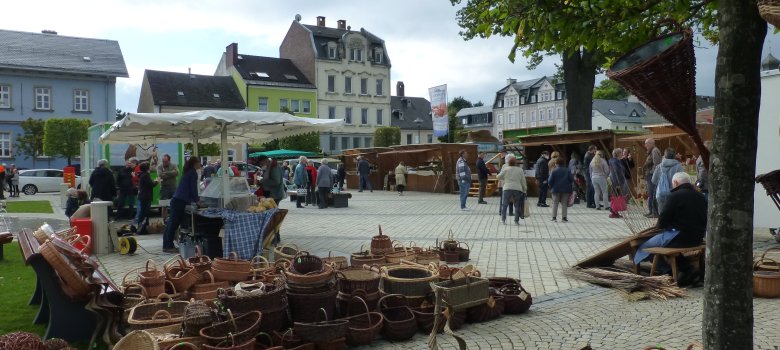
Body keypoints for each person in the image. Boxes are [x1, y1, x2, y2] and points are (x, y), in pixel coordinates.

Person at [634, 172, 707, 286]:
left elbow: (662, 222)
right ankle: (687, 269)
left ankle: (666, 271)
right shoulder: (700, 196)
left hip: (680, 237)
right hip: (698, 236)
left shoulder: (674, 196)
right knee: (667, 245)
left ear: (676, 183)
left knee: (644, 247)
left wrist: (658, 225)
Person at [162, 156, 201, 253]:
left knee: (171, 224)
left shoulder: (187, 172)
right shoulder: (192, 173)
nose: (200, 164)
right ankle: (168, 246)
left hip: (177, 200)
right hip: (180, 201)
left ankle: (166, 245)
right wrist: (197, 201)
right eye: (199, 162)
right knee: (173, 224)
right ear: (195, 163)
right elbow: (193, 189)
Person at [496, 154, 527, 225]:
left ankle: (503, 220)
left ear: (508, 162)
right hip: (517, 189)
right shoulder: (520, 170)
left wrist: (501, 177)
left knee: (504, 205)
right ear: (515, 163)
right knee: (517, 205)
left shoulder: (505, 169)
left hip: (507, 188)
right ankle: (516, 221)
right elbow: (523, 181)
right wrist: (525, 189)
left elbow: (498, 177)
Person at [652, 147, 684, 213]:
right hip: (675, 194)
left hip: (661, 194)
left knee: (662, 215)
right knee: (674, 215)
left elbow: (653, 180)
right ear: (675, 155)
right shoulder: (679, 166)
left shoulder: (659, 166)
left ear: (664, 155)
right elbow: (682, 181)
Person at [548, 157, 574, 222]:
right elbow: (571, 179)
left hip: (555, 189)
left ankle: (554, 218)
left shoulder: (553, 171)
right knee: (564, 204)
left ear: (556, 163)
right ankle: (564, 218)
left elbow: (550, 181)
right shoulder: (567, 170)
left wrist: (551, 187)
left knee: (555, 203)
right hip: (566, 190)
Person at [135, 162, 158, 234]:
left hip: (143, 196)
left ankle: (143, 228)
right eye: (150, 166)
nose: (151, 167)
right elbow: (150, 185)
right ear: (147, 168)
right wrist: (157, 181)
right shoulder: (145, 175)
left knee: (143, 212)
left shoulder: (142, 175)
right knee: (145, 213)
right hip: (146, 196)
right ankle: (142, 229)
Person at [643, 138, 663, 218]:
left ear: (651, 143)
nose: (645, 146)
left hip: (652, 176)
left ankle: (654, 212)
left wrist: (652, 173)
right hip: (650, 176)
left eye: (646, 144)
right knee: (651, 194)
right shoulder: (651, 151)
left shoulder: (655, 151)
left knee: (653, 194)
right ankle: (651, 211)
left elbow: (657, 164)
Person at [608, 148, 627, 218]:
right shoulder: (615, 162)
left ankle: (615, 212)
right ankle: (613, 212)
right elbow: (615, 173)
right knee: (616, 197)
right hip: (616, 182)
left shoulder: (616, 161)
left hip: (616, 181)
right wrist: (618, 184)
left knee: (616, 197)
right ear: (618, 154)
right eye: (621, 152)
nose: (622, 154)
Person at [496, 149, 513, 217]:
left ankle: (502, 211)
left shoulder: (502, 160)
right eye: (501, 153)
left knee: (504, 198)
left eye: (502, 153)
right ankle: (509, 212)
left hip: (503, 182)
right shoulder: (504, 162)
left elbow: (499, 173)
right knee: (508, 198)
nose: (501, 154)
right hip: (506, 183)